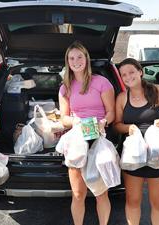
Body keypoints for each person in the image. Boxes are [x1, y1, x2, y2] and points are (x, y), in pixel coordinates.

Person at [114, 58, 159, 225]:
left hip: (158, 153)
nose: (128, 77)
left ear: (140, 72)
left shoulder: (157, 91)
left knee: (158, 202)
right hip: (133, 154)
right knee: (132, 201)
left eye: (131, 72)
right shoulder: (122, 98)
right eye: (124, 75)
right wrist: (128, 128)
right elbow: (116, 125)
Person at [58, 41, 115, 225]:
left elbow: (111, 112)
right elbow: (63, 119)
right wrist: (75, 121)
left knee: (101, 193)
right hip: (77, 141)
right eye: (72, 58)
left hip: (98, 139)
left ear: (86, 59)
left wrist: (104, 122)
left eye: (79, 57)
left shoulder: (101, 82)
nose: (76, 61)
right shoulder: (65, 87)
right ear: (67, 61)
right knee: (78, 193)